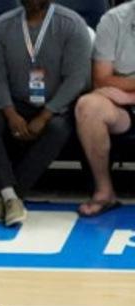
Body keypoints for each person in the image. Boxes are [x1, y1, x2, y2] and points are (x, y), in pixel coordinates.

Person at [0, 0, 91, 227]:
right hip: (16, 104)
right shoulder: (1, 26)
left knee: (57, 129)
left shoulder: (72, 25)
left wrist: (45, 115)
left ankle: (7, 197)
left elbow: (76, 79)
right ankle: (10, 197)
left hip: (57, 105)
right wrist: (10, 114)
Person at [74, 1, 135, 218]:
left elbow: (111, 81)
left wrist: (129, 93)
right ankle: (104, 192)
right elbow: (101, 78)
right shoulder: (114, 20)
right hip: (121, 106)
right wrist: (126, 97)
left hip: (125, 94)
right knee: (88, 106)